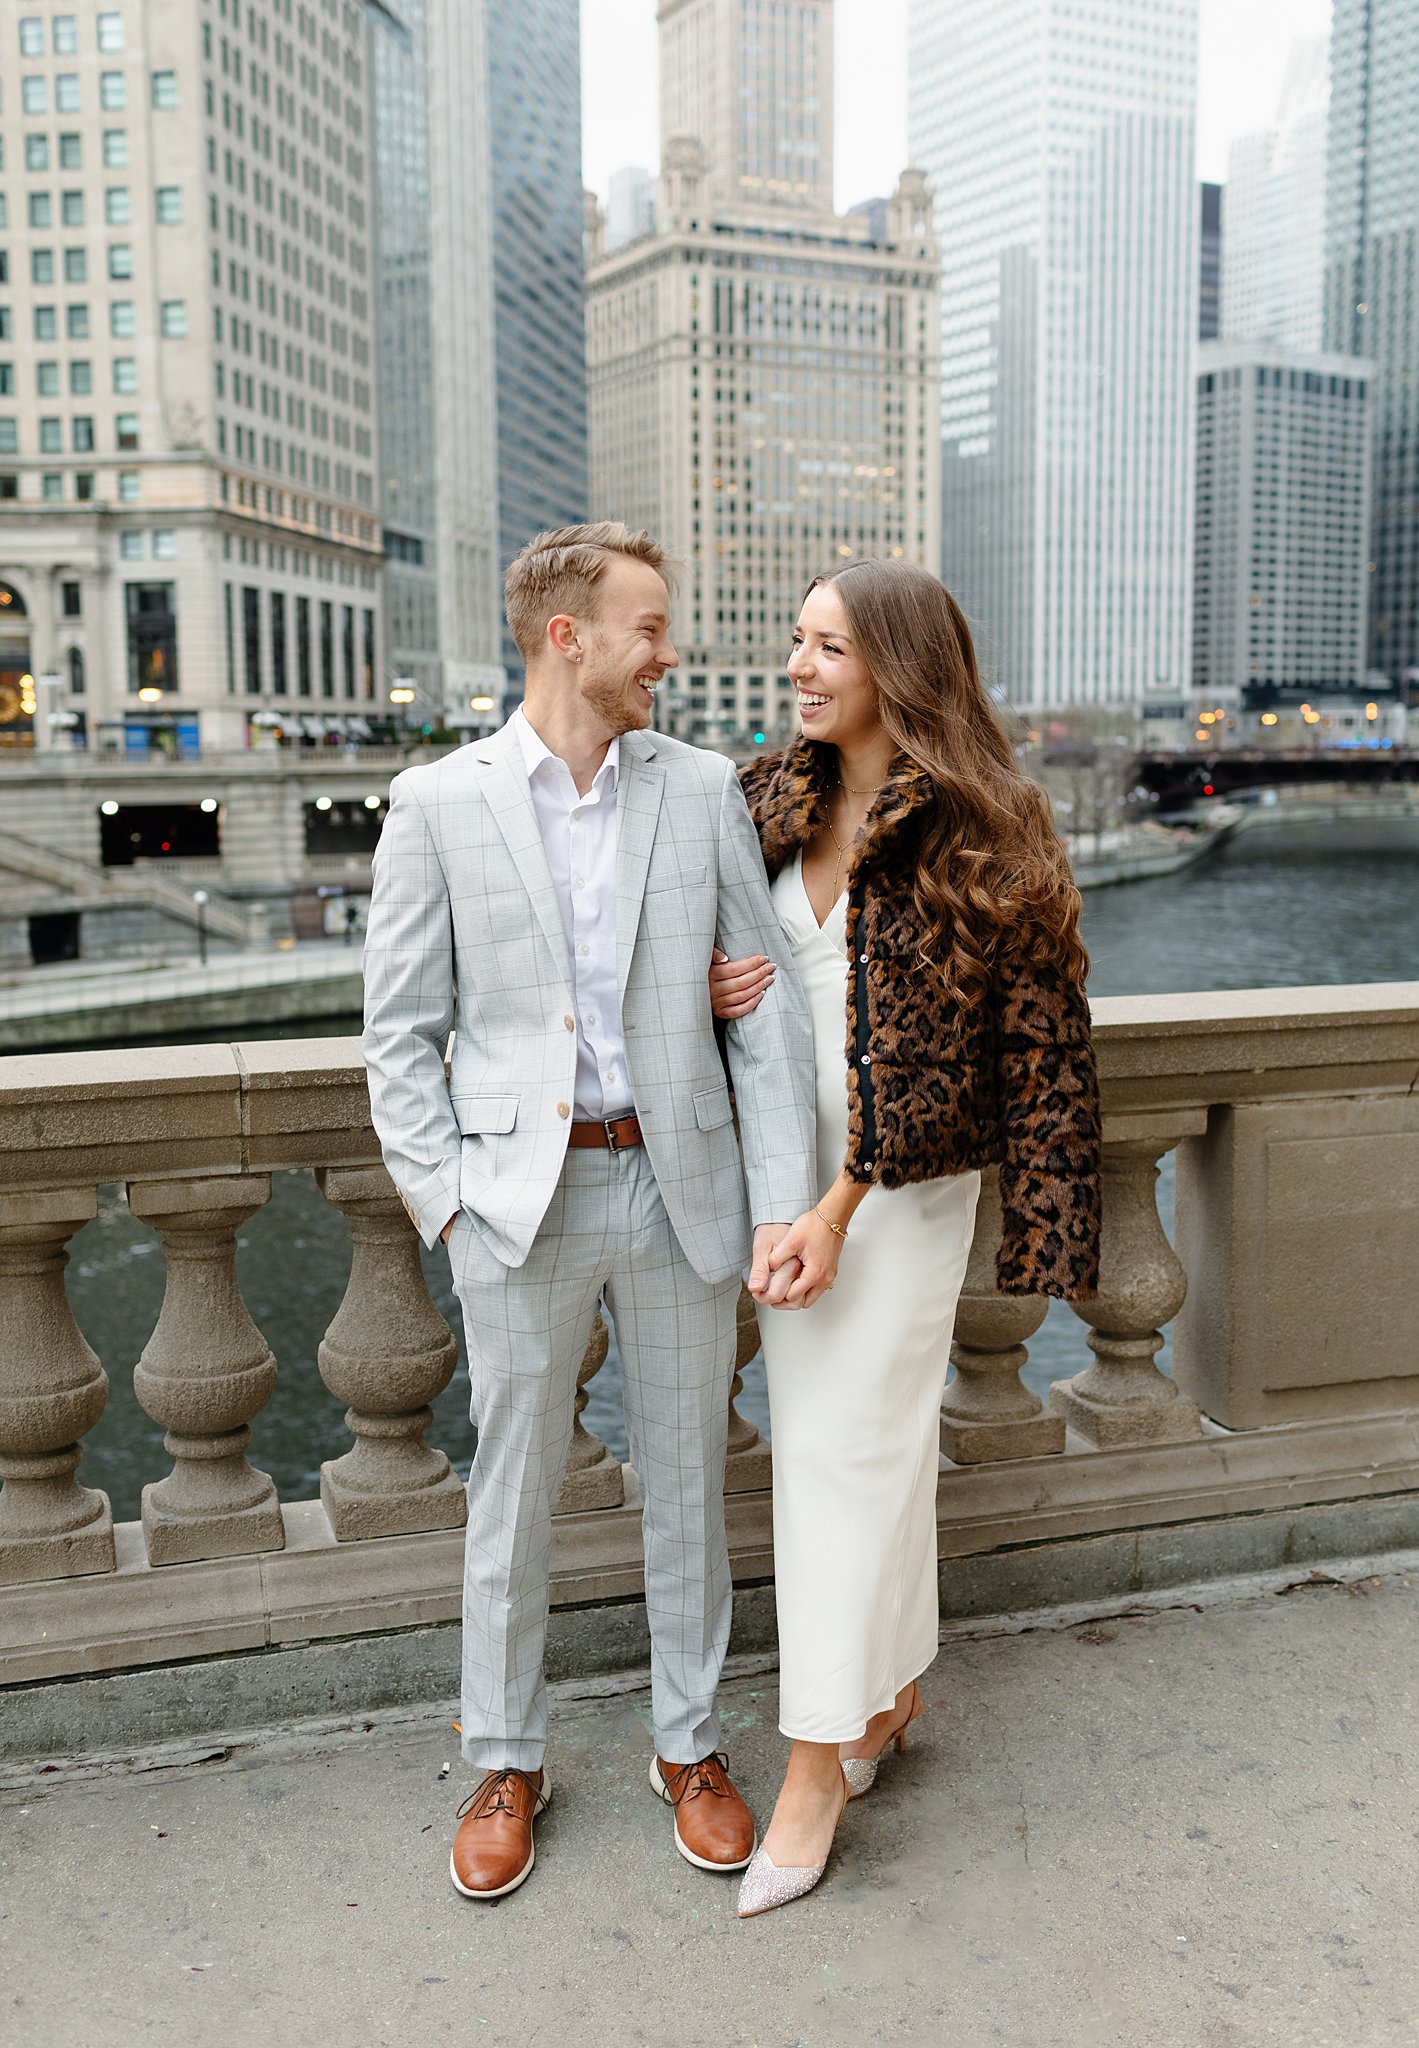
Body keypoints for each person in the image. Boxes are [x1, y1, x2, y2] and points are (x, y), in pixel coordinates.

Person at [362, 522, 816, 1902]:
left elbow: (765, 1010)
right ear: (571, 638)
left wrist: (777, 1206)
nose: (668, 654)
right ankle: (506, 1758)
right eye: (650, 629)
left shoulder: (703, 792)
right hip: (518, 1208)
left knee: (692, 1483)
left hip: (685, 1190)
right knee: (511, 1497)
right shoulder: (435, 803)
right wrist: (449, 1209)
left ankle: (690, 1746)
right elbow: (400, 1038)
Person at [711, 558, 1102, 1919]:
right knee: (868, 1467)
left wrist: (847, 1209)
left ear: (898, 664)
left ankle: (813, 1767)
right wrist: (710, 981)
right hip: (778, 1177)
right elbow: (707, 969)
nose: (799, 667)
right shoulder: (772, 794)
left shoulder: (990, 823)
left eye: (827, 647)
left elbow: (1042, 1051)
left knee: (837, 1462)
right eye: (796, 640)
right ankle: (887, 1695)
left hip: (888, 1197)